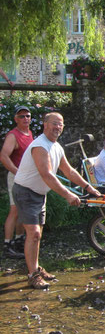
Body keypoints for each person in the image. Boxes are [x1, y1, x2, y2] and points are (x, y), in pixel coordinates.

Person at [13, 113, 101, 289]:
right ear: (45, 124)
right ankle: (32, 275)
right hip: (26, 192)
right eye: (54, 124)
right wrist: (68, 195)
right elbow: (47, 175)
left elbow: (69, 171)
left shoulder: (56, 146)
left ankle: (36, 268)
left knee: (37, 235)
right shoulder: (40, 145)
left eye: (61, 125)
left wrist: (88, 187)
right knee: (34, 233)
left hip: (39, 194)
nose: (58, 128)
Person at [0, 106, 34, 258]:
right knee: (14, 210)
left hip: (27, 177)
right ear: (15, 119)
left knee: (22, 211)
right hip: (17, 177)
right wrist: (16, 172)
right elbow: (4, 156)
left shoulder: (29, 133)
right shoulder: (13, 136)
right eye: (21, 116)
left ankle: (19, 240)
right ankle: (7, 245)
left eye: (27, 116)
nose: (25, 119)